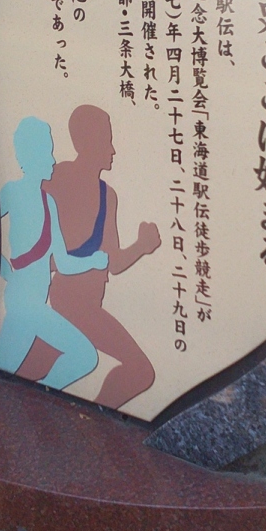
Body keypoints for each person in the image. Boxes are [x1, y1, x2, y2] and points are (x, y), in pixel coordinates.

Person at [40, 104, 160, 410]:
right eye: (106, 140)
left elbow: (113, 262)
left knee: (34, 368)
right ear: (85, 142)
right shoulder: (58, 177)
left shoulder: (108, 195)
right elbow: (39, 239)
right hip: (68, 301)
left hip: (88, 303)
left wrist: (142, 245)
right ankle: (92, 420)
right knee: (140, 370)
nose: (113, 150)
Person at [0, 116, 107, 388]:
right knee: (82, 355)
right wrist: (2, 267)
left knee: (0, 373)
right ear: (30, 155)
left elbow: (63, 263)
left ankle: (33, 400)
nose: (53, 160)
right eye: (47, 152)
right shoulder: (13, 192)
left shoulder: (48, 202)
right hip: (23, 303)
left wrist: (93, 261)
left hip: (34, 304)